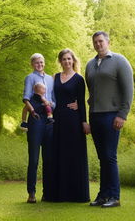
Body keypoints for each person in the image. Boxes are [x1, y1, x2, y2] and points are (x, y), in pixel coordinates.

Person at [85, 31, 134, 208]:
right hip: (95, 115)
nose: (98, 44)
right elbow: (91, 91)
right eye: (95, 42)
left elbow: (129, 90)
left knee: (110, 156)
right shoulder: (90, 65)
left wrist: (122, 115)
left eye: (101, 41)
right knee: (102, 157)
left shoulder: (120, 61)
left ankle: (115, 196)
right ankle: (103, 195)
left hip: (112, 115)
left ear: (107, 42)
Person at [46, 48, 90, 202]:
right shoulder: (55, 77)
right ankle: (59, 194)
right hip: (57, 120)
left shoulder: (79, 79)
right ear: (60, 61)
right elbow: (50, 97)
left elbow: (82, 102)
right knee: (58, 154)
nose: (67, 61)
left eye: (69, 59)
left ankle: (76, 194)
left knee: (73, 155)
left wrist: (84, 121)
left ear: (73, 60)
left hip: (73, 121)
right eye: (64, 59)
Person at [23, 53, 55, 203]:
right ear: (32, 64)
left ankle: (48, 192)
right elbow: (26, 98)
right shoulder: (30, 78)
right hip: (35, 119)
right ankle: (31, 193)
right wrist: (33, 112)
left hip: (49, 119)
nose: (39, 64)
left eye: (41, 62)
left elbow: (54, 101)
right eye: (36, 62)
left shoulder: (50, 79)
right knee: (34, 158)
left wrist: (50, 105)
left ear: (44, 63)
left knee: (48, 158)